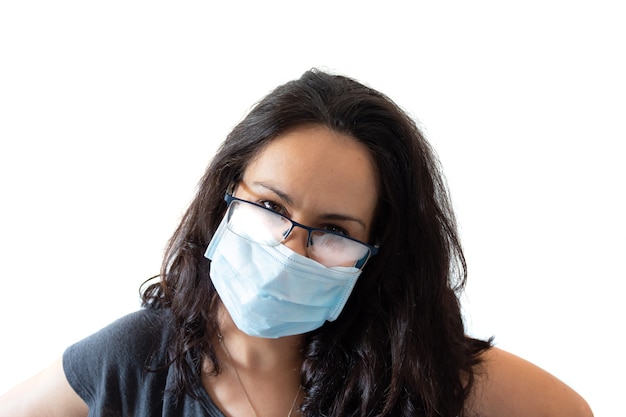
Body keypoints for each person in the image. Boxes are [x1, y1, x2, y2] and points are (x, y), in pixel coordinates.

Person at [0, 69, 593, 417]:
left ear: (377, 252)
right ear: (225, 196)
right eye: (271, 207)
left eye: (334, 232)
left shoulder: (412, 371)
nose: (290, 250)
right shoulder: (132, 361)